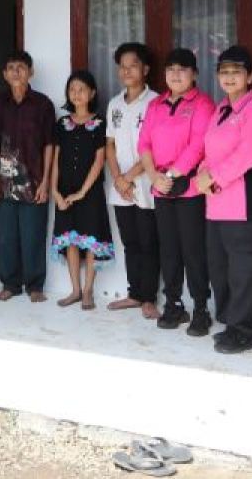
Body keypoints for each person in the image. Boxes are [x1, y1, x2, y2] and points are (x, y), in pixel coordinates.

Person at [194, 46, 252, 355]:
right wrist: (203, 175)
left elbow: (249, 154)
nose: (229, 77)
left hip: (246, 200)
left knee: (245, 270)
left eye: (236, 72)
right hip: (217, 203)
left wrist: (213, 178)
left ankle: (245, 329)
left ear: (250, 76)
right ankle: (230, 321)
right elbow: (208, 151)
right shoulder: (220, 110)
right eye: (224, 72)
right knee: (221, 267)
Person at [138, 48, 215, 336]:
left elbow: (198, 146)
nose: (176, 74)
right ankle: (174, 303)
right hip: (161, 189)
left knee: (193, 251)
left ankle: (201, 309)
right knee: (169, 251)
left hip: (190, 190)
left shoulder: (202, 104)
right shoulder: (156, 104)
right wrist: (153, 176)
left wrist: (170, 175)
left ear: (194, 73)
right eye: (170, 69)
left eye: (183, 69)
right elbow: (144, 144)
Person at [0, 50, 57, 303]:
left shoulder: (43, 104)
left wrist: (46, 180)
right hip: (3, 183)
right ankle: (10, 283)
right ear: (4, 74)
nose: (16, 72)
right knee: (6, 237)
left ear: (31, 72)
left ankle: (35, 285)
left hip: (34, 182)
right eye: (11, 67)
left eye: (21, 67)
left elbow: (49, 144)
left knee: (33, 235)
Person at [105, 43, 160, 319]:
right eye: (122, 66)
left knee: (149, 242)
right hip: (120, 187)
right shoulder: (114, 104)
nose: (127, 70)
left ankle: (149, 297)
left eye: (133, 65)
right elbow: (110, 145)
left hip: (146, 184)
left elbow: (157, 148)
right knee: (130, 242)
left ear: (146, 69)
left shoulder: (157, 102)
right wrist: (117, 178)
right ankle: (134, 293)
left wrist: (129, 177)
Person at [51, 70, 114, 310]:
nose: (77, 94)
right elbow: (56, 160)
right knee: (71, 241)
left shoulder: (99, 124)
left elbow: (100, 161)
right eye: (72, 89)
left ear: (92, 93)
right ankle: (75, 290)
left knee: (91, 240)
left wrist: (82, 192)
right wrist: (55, 192)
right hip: (64, 192)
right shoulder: (61, 123)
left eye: (82, 89)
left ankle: (88, 291)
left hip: (90, 193)